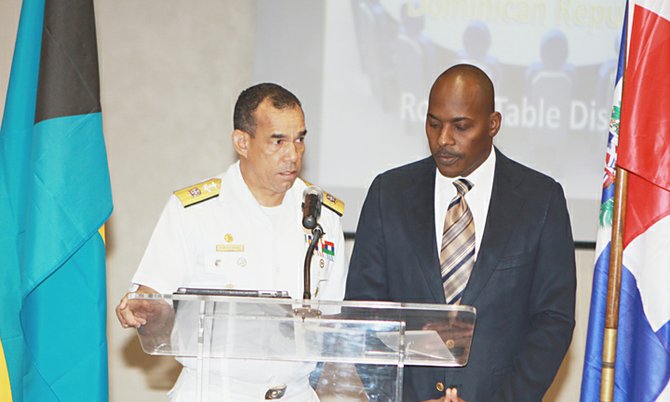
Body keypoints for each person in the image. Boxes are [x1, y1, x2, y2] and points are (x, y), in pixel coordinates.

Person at [345, 64, 576, 402]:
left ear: (493, 124)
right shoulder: (388, 193)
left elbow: (553, 320)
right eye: (433, 123)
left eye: (461, 126)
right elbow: (364, 313)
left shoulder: (540, 199)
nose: (443, 140)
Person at [116, 83, 348, 401]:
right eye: (277, 141)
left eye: (299, 139)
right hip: (214, 391)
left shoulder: (323, 215)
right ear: (242, 142)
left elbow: (333, 322)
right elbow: (151, 300)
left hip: (296, 394)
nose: (293, 154)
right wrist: (144, 309)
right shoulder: (196, 211)